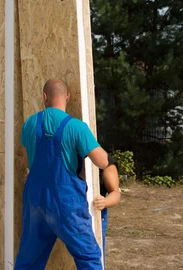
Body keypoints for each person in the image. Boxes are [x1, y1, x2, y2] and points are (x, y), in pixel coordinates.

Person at [15, 78, 109, 270]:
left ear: (44, 97)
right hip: (65, 202)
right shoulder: (76, 127)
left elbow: (26, 160)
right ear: (67, 97)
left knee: (28, 261)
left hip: (35, 200)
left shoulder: (30, 124)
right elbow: (102, 162)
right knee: (88, 256)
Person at [92, 153, 121, 264]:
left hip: (96, 214)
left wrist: (104, 202)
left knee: (95, 255)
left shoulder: (105, 160)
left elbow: (115, 193)